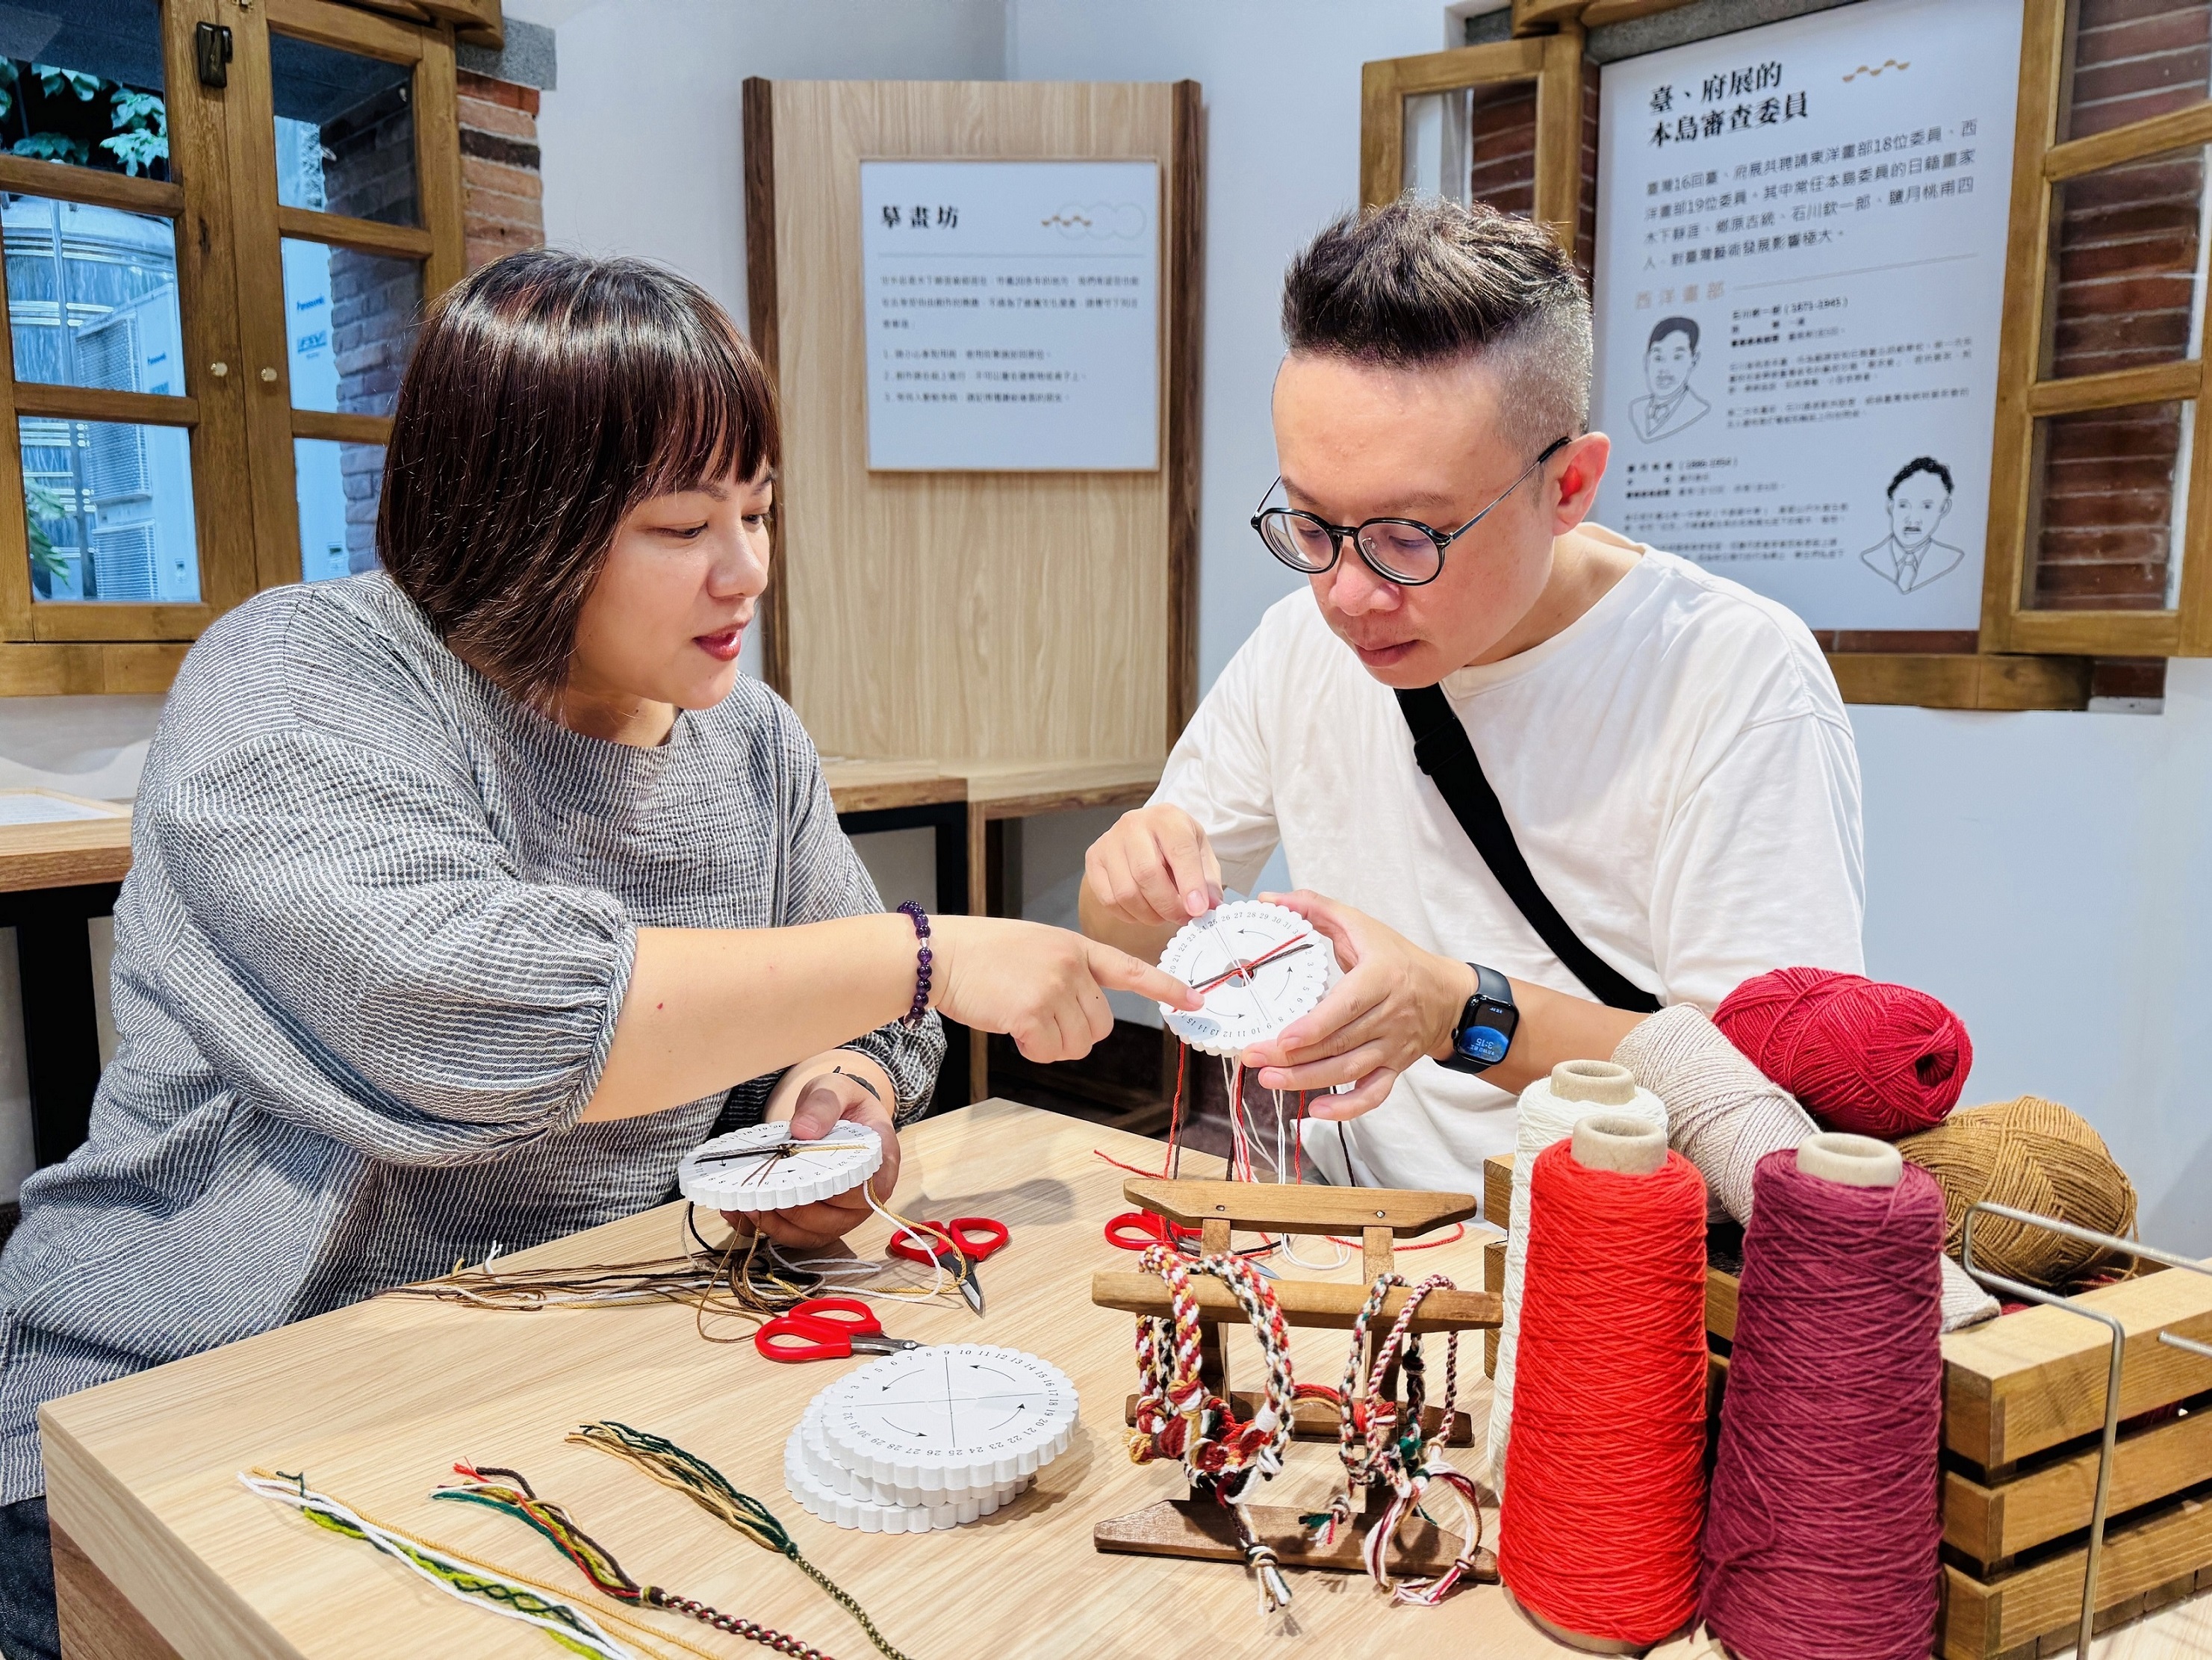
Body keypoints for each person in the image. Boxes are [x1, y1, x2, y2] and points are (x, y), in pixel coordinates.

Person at [0, 250, 1196, 1660]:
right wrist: (916, 953)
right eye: (684, 522)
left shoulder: (751, 744)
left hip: (570, 1374)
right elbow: (466, 1010)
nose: (746, 569)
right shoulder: (302, 677)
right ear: (519, 517)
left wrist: (835, 1103)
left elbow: (869, 1023)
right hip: (203, 1387)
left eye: (756, 510)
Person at [1081, 197, 1862, 1191]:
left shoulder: (1730, 674)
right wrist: (1126, 881)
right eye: (1310, 524)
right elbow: (1131, 941)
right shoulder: (1295, 647)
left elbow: (1758, 1099)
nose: (1346, 594)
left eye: (1411, 536)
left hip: (1598, 1260)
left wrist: (1460, 1010)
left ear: (1569, 485)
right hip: (1351, 1234)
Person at [1861, 456, 1965, 594]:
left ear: (1944, 508)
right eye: (1904, 505)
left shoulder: (1952, 560)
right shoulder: (1869, 559)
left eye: (1927, 507)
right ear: (1891, 506)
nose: (1913, 519)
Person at [1627, 315, 1710, 441]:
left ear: (1694, 360)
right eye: (1658, 358)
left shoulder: (1698, 409)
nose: (1664, 369)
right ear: (1646, 361)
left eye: (1677, 357)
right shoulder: (1636, 408)